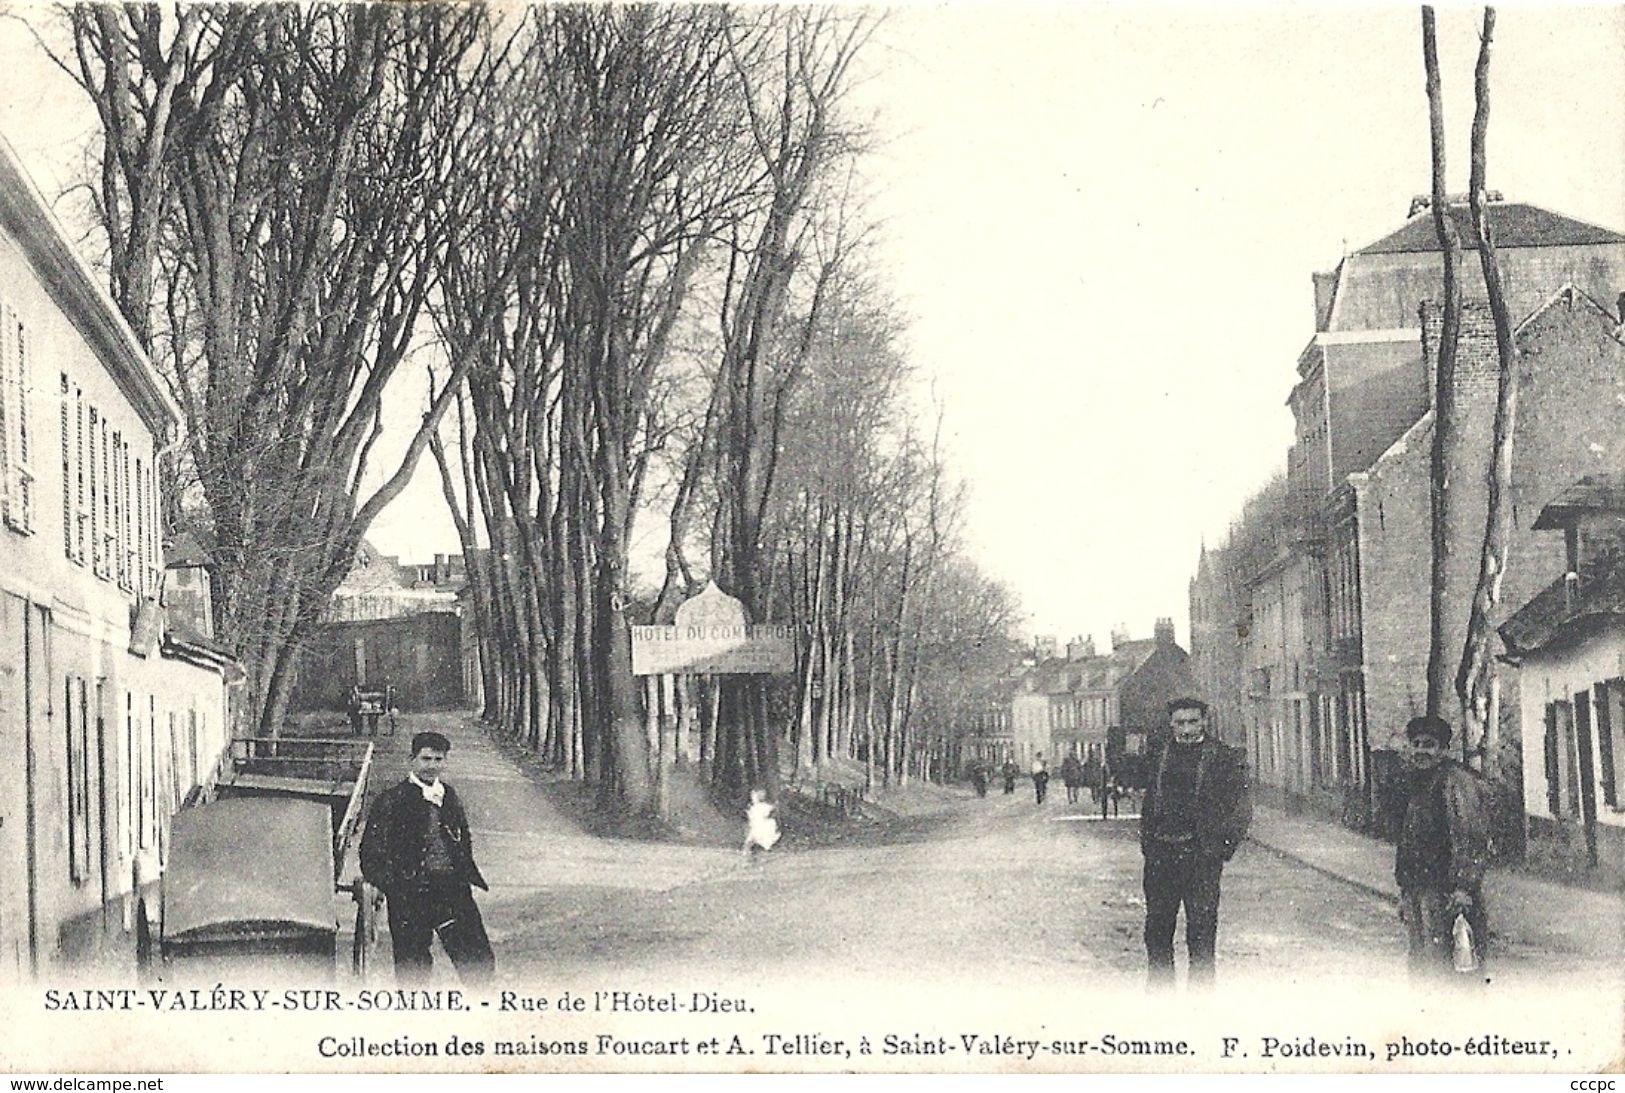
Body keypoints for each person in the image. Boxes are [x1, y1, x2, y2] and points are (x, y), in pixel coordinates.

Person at [360, 730, 494, 984]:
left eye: (438, 760)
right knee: (412, 966)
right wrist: (393, 885)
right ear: (412, 760)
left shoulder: (450, 796)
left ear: (445, 762)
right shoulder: (392, 800)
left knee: (478, 960)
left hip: (451, 889)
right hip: (410, 893)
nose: (432, 766)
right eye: (426, 759)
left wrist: (462, 873)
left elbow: (463, 841)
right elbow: (371, 852)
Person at [1139, 698, 1251, 989]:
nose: (1186, 729)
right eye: (1179, 723)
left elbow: (1241, 807)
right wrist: (1149, 845)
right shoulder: (1159, 755)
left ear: (1204, 721)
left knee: (1201, 936)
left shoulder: (1223, 757)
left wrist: (1220, 849)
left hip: (1200, 860)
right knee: (1157, 933)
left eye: (1192, 722)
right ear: (1171, 724)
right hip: (1162, 857)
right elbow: (1149, 802)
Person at [1395, 714, 1489, 979]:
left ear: (1444, 749)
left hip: (1445, 892)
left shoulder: (1455, 783)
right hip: (1417, 890)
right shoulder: (1418, 784)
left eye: (1429, 744)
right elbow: (1408, 841)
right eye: (1416, 744)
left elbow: (1468, 835)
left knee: (1448, 967)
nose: (1421, 751)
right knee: (1422, 963)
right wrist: (1405, 892)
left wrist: (1463, 887)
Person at [743, 789, 781, 859]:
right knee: (751, 841)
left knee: (752, 841)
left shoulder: (760, 807)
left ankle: (751, 854)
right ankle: (751, 854)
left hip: (760, 826)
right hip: (758, 826)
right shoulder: (758, 807)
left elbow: (756, 816)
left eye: (754, 797)